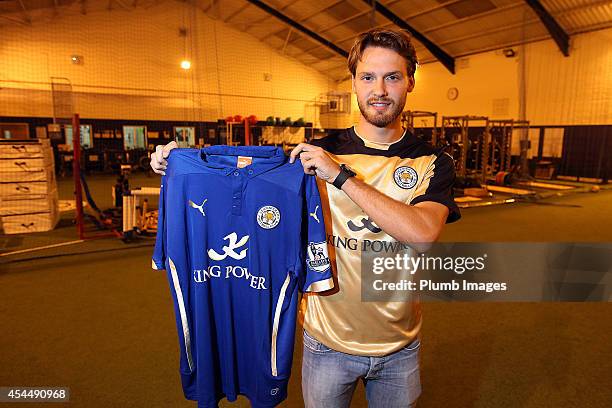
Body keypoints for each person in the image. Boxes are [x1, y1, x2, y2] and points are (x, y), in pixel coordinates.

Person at [151, 28, 460, 408]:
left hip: (399, 346)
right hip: (325, 342)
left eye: (392, 76)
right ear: (354, 83)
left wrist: (342, 177)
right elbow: (245, 173)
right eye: (368, 77)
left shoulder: (433, 161)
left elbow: (423, 234)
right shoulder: (315, 152)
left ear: (410, 81)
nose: (379, 89)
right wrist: (179, 166)